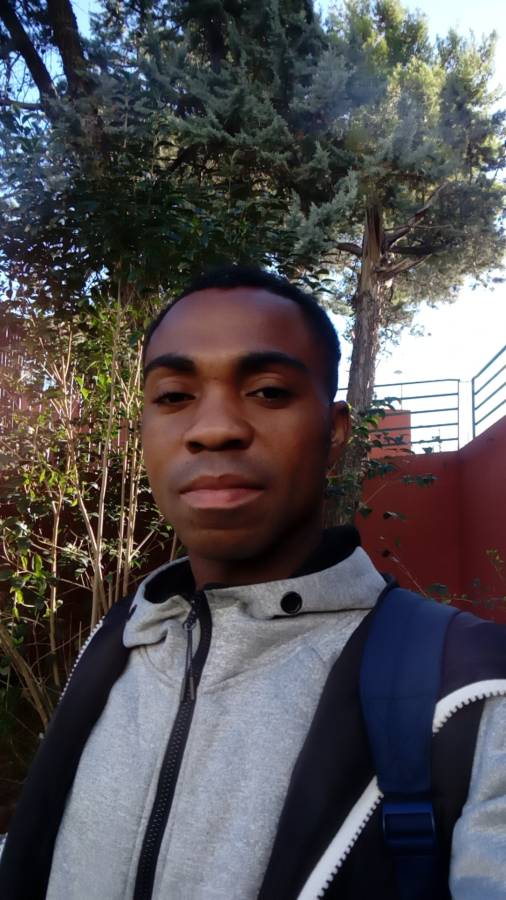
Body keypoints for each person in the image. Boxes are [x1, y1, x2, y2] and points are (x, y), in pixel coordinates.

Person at [1, 266, 506, 900]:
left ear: (335, 434)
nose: (213, 428)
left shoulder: (475, 691)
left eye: (268, 391)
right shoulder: (118, 641)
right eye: (173, 397)